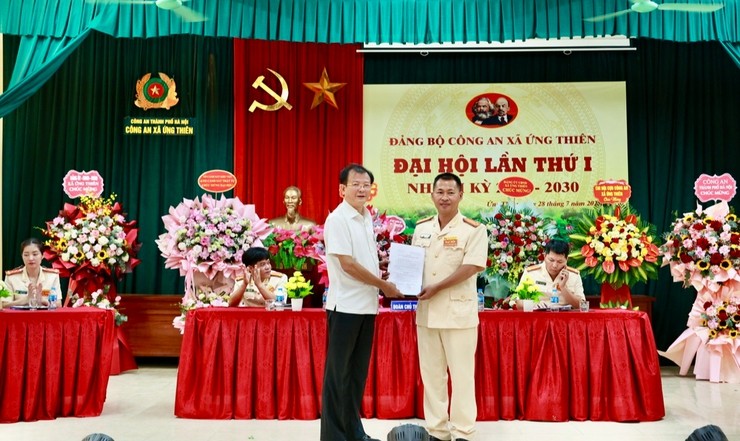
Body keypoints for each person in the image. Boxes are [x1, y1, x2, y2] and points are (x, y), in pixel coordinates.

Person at [320, 164, 403, 441]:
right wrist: (382, 285)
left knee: (355, 376)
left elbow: (363, 261)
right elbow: (347, 264)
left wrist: (383, 274)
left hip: (366, 307)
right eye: (355, 184)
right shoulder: (338, 219)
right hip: (345, 308)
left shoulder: (365, 216)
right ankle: (334, 437)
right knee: (337, 377)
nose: (361, 189)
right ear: (342, 189)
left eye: (366, 185)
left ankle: (354, 433)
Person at [412, 173, 488, 441]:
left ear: (460, 195)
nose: (445, 197)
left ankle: (463, 432)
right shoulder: (421, 228)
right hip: (427, 314)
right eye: (440, 192)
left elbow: (472, 266)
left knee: (462, 376)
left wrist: (438, 287)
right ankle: (437, 431)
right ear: (432, 194)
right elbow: (414, 265)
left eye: (450, 192)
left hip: (459, 316)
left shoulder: (474, 230)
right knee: (432, 377)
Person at [519, 239, 585, 308]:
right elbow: (519, 303)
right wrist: (533, 305)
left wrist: (563, 288)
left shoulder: (574, 275)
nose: (554, 265)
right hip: (538, 313)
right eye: (551, 260)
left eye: (560, 262)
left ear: (566, 259)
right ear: (544, 256)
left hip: (564, 314)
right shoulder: (531, 273)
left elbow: (582, 306)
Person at [3, 238, 62, 308]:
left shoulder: (52, 276)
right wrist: (24, 301)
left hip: (45, 315)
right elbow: (4, 305)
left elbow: (59, 305)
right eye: (26, 255)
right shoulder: (12, 277)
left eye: (35, 254)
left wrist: (43, 301)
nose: (30, 258)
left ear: (42, 255)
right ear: (22, 256)